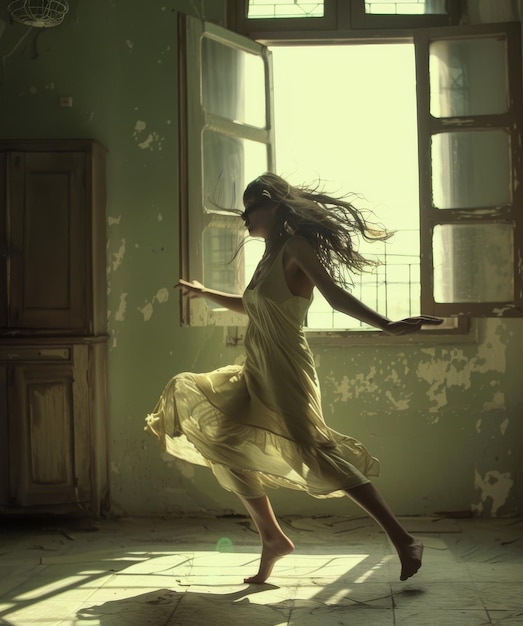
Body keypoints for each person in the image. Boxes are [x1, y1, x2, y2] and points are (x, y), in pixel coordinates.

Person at [145, 172, 442, 584]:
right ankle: (272, 538)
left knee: (314, 452)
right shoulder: (268, 255)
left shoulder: (295, 248)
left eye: (250, 209)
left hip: (286, 369)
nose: (244, 218)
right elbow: (256, 306)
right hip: (255, 368)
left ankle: (404, 539)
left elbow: (335, 296)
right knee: (224, 440)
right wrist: (205, 292)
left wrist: (388, 325)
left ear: (273, 206)